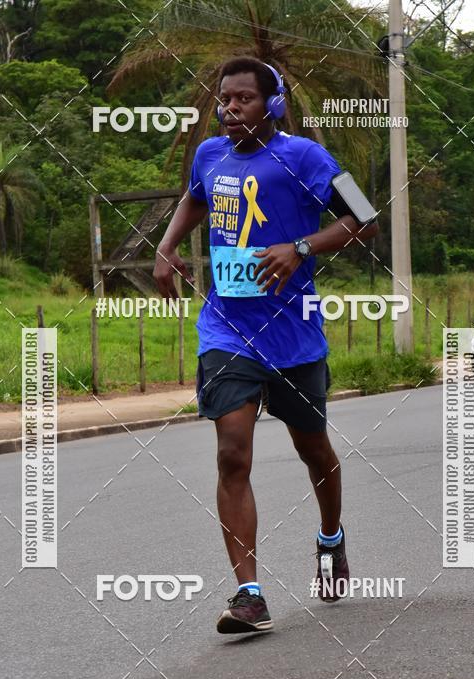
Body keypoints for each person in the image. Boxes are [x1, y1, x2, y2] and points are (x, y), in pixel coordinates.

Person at [153, 56, 378, 635]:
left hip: (294, 334)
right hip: (227, 328)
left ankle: (331, 537)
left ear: (272, 104)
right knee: (232, 450)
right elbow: (194, 197)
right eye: (224, 100)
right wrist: (167, 246)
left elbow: (366, 218)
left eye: (243, 100)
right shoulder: (210, 154)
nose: (230, 110)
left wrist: (300, 246)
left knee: (314, 451)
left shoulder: (306, 156)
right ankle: (249, 594)